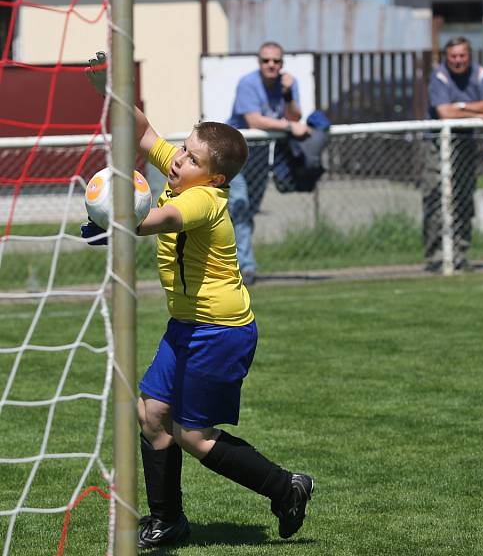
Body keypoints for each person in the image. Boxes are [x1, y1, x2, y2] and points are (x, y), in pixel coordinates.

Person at [83, 52, 314, 549]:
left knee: (193, 434)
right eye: (182, 150)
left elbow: (161, 221)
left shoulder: (202, 200)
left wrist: (116, 220)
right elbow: (143, 132)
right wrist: (109, 84)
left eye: (189, 157)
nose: (178, 159)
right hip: (186, 325)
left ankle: (286, 486)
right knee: (151, 414)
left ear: (213, 177)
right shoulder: (183, 174)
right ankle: (168, 522)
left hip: (221, 330)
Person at [227, 41, 309, 285]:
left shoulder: (287, 85)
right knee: (239, 205)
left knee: (249, 210)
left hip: (261, 155)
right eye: (266, 60)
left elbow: (295, 115)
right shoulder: (248, 84)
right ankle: (246, 267)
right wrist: (288, 126)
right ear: (259, 62)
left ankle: (238, 263)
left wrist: (287, 95)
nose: (271, 65)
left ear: (282, 63)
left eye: (276, 61)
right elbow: (254, 121)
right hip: (235, 152)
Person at [422, 36, 483, 272]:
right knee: (435, 198)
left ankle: (460, 254)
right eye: (453, 56)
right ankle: (436, 256)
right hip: (437, 144)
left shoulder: (479, 73)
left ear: (469, 56)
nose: (457, 60)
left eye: (462, 55)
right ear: (446, 57)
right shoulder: (439, 76)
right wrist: (470, 109)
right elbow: (444, 112)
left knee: (463, 199)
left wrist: (459, 108)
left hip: (465, 143)